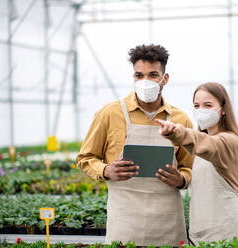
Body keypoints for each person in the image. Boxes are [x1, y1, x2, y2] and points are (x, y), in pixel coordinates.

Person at [76, 44, 194, 246]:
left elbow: (190, 167)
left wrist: (181, 179)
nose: (145, 81)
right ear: (134, 77)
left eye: (153, 75)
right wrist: (106, 170)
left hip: (167, 219)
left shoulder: (180, 119)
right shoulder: (109, 114)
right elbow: (85, 158)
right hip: (125, 220)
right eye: (139, 75)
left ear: (164, 79)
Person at [156, 82, 238, 242]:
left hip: (228, 232)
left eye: (208, 105)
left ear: (223, 109)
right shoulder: (203, 143)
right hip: (201, 231)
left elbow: (206, 143)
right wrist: (180, 180)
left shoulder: (230, 141)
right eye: (197, 105)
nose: (201, 110)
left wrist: (177, 132)